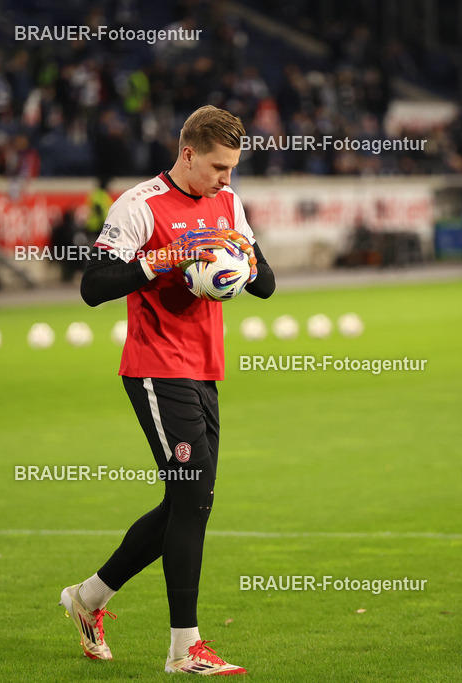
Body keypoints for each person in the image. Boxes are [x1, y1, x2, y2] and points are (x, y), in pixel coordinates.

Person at [61, 104, 275, 675]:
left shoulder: (227, 203)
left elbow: (268, 285)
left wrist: (239, 261)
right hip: (157, 368)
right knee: (194, 498)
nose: (227, 179)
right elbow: (92, 285)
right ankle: (184, 648)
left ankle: (88, 598)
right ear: (187, 154)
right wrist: (161, 263)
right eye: (218, 167)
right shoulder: (139, 205)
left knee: (189, 501)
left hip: (205, 368)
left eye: (232, 168)